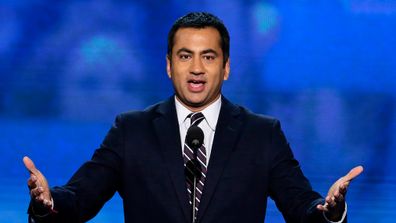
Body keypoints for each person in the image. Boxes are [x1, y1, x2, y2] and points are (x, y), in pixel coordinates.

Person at [24, 12, 363, 223]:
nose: (197, 68)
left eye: (209, 57)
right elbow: (79, 198)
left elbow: (301, 205)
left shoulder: (262, 134)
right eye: (185, 56)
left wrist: (329, 211)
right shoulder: (132, 130)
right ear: (169, 65)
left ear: (226, 67)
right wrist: (47, 202)